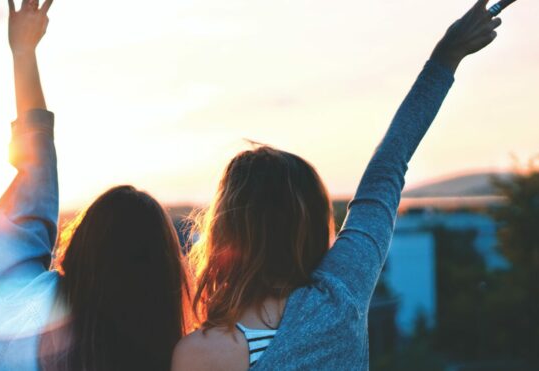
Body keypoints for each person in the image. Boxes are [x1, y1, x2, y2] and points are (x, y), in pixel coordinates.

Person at [172, 1, 504, 370]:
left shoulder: (199, 354)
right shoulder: (340, 294)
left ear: (225, 229)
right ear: (313, 224)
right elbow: (388, 166)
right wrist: (447, 56)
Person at [0, 1, 194, 370]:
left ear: (81, 247)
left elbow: (36, 178)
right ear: (164, 278)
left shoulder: (21, 309)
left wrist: (23, 53)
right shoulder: (175, 354)